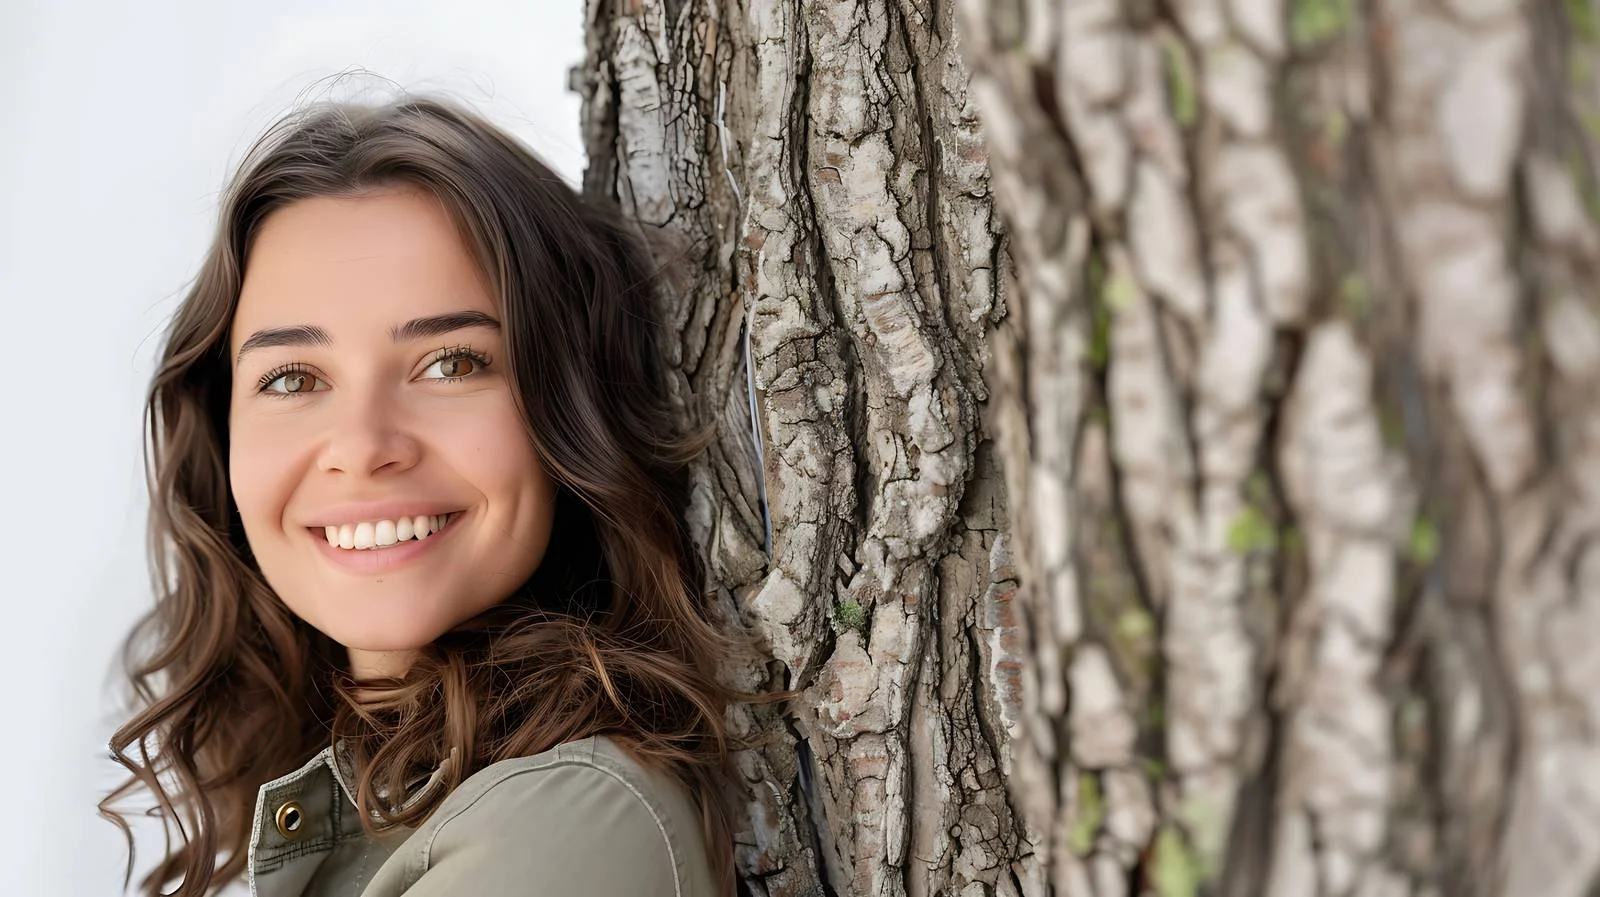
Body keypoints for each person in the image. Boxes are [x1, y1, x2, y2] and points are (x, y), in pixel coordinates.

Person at [100, 94, 752, 897]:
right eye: (293, 378)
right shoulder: (364, 793)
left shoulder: (568, 822)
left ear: (570, 406)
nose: (365, 448)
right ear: (225, 428)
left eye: (451, 363)